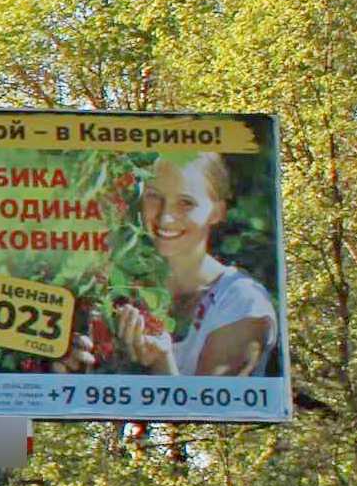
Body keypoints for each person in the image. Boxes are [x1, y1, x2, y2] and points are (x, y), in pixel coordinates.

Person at [110, 150, 276, 376]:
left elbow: (212, 409)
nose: (165, 217)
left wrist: (160, 360)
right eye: (154, 196)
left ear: (217, 212)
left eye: (186, 202)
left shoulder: (242, 301)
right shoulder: (122, 286)